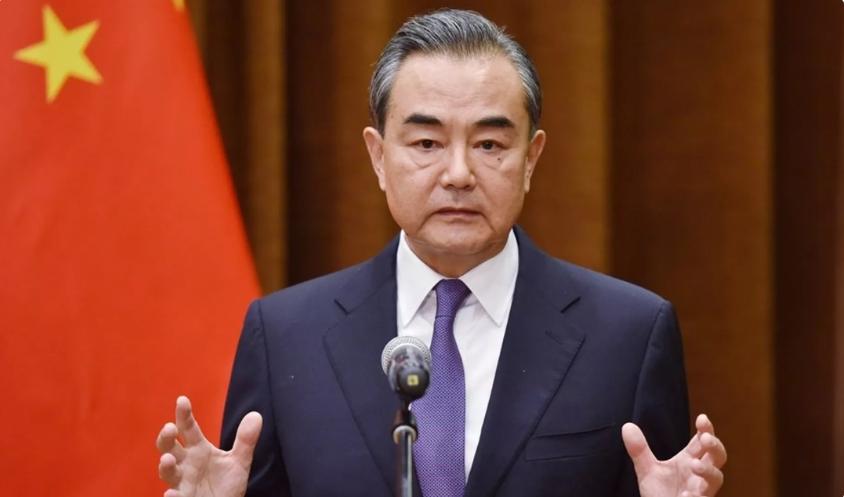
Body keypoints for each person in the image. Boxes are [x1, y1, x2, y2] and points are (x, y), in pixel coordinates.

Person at [156, 9, 727, 497]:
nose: (458, 173)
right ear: (379, 157)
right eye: (427, 143)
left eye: (489, 144)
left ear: (531, 159)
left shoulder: (628, 336)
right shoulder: (285, 336)